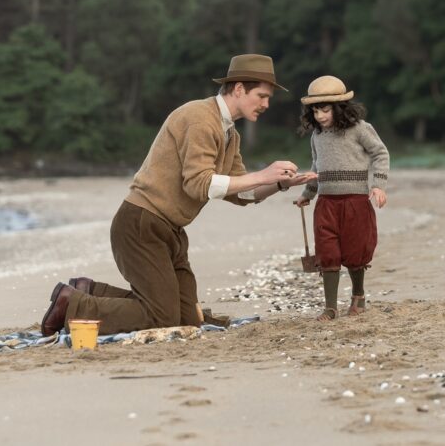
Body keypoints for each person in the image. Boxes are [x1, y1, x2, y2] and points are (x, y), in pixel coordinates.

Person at [40, 54, 317, 336]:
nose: (266, 104)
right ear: (238, 89)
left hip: (169, 231)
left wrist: (280, 184)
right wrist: (262, 174)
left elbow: (241, 193)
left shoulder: (230, 134)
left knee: (186, 319)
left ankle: (89, 290)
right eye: (261, 96)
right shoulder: (200, 119)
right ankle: (72, 303)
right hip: (141, 225)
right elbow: (198, 185)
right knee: (163, 318)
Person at [295, 75, 389, 321]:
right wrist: (308, 193)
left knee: (355, 250)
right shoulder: (317, 136)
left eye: (325, 110)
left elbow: (380, 153)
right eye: (315, 111)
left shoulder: (360, 129)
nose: (320, 116)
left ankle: (358, 296)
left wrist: (378, 185)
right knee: (327, 251)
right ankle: (330, 307)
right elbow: (316, 166)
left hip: (356, 201)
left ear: (339, 108)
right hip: (326, 203)